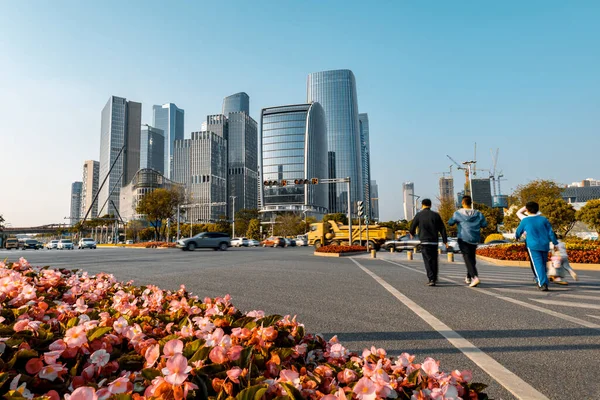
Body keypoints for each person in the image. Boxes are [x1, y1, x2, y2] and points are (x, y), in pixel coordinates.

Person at [515, 201, 559, 291]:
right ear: (538, 209)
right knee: (543, 263)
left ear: (527, 210)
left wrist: (517, 237)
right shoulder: (544, 219)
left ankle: (542, 283)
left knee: (537, 264)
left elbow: (518, 231)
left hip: (533, 246)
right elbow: (551, 232)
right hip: (544, 244)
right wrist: (555, 243)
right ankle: (544, 281)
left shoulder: (525, 220)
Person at [448, 195, 488, 287]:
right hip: (474, 238)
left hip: (463, 238)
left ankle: (475, 277)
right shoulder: (478, 213)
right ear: (471, 203)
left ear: (462, 203)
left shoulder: (458, 213)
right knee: (472, 258)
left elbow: (450, 222)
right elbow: (484, 224)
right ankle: (468, 277)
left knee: (467, 258)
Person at [409, 198, 448, 286]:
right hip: (434, 241)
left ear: (422, 205)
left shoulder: (419, 215)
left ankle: (431, 279)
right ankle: (434, 277)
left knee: (428, 260)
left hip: (424, 241)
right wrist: (445, 240)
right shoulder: (436, 215)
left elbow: (412, 226)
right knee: (434, 259)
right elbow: (442, 228)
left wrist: (411, 233)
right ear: (430, 205)